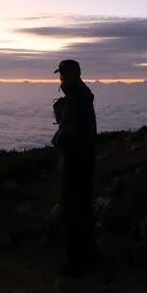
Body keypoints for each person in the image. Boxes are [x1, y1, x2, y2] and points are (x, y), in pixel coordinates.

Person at [50, 59, 98, 277]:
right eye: (61, 75)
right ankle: (87, 257)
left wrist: (59, 139)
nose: (62, 79)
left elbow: (74, 132)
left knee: (74, 210)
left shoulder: (77, 99)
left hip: (77, 160)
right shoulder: (78, 97)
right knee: (81, 208)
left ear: (76, 74)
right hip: (81, 159)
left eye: (65, 74)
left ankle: (76, 263)